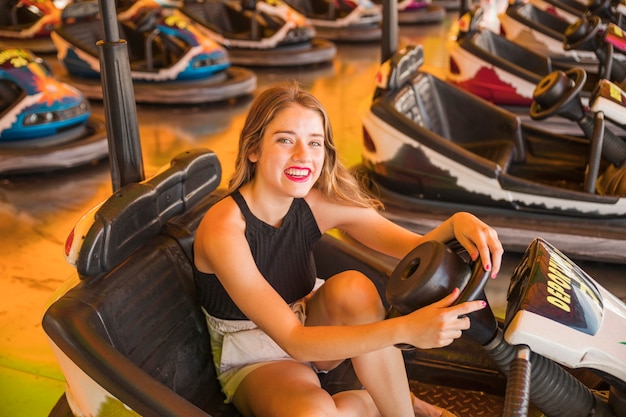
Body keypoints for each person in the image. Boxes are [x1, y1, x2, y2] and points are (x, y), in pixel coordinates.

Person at [193, 81, 503, 417]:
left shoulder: (314, 203)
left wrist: (460, 222)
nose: (303, 156)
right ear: (253, 149)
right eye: (285, 140)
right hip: (255, 353)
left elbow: (414, 247)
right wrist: (407, 329)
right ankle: (379, 403)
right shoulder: (224, 228)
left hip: (310, 320)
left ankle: (403, 413)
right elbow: (293, 340)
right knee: (316, 415)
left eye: (314, 143)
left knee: (355, 288)